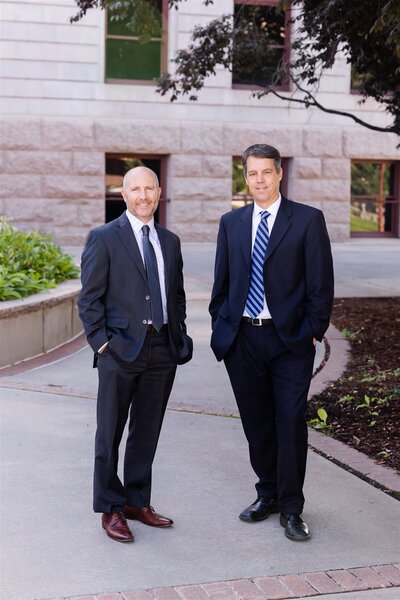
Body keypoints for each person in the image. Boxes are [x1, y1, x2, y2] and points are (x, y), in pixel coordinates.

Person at [209, 144, 334, 541]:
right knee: (257, 423)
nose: (259, 180)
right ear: (245, 177)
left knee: (290, 421)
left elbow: (320, 285)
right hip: (243, 338)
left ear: (280, 174)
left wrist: (313, 330)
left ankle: (292, 508)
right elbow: (221, 284)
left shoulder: (307, 221)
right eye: (252, 173)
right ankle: (268, 494)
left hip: (290, 341)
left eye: (266, 172)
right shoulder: (231, 223)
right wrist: (222, 324)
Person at [78, 166, 192, 543]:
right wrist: (102, 344)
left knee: (147, 430)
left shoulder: (170, 241)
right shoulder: (104, 238)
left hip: (161, 349)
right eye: (135, 189)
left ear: (159, 193)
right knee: (109, 432)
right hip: (119, 351)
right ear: (123, 195)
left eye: (150, 189)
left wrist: (180, 335)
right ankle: (110, 507)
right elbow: (89, 299)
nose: (143, 196)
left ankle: (136, 501)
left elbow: (175, 295)